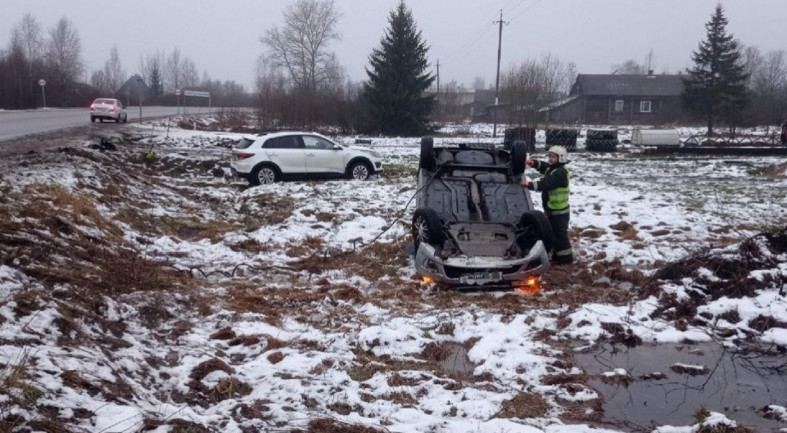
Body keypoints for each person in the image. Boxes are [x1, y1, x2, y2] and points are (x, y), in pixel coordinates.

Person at [520, 146, 573, 265]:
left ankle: (566, 259)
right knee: (554, 233)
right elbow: (545, 167)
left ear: (561, 158)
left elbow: (547, 183)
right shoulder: (553, 169)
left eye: (553, 157)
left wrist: (529, 185)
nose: (550, 158)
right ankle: (557, 256)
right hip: (553, 210)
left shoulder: (560, 173)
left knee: (560, 235)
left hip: (559, 211)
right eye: (549, 156)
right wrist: (534, 163)